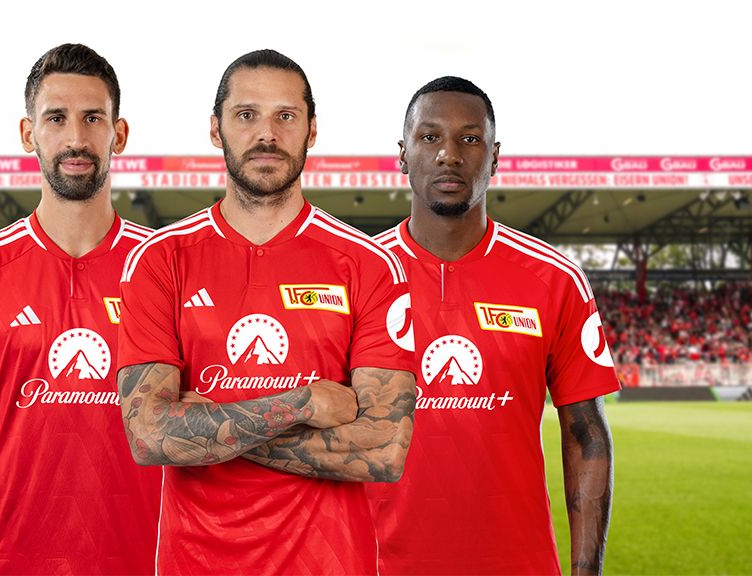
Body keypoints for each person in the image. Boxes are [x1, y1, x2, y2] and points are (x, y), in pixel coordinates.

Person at [116, 49, 416, 575]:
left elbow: (384, 451)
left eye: (286, 116)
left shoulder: (370, 265)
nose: (267, 134)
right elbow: (148, 436)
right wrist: (302, 402)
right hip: (197, 563)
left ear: (312, 130)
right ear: (216, 129)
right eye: (246, 115)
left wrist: (209, 426)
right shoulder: (160, 260)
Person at [0, 44, 161, 575]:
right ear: (28, 133)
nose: (76, 139)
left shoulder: (163, 269)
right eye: (56, 118)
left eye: (93, 118)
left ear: (119, 134)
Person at [371, 76, 618, 575]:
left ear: (495, 155)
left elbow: (587, 436)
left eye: (469, 138)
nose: (449, 154)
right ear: (402, 153)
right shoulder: (358, 277)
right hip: (376, 564)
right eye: (430, 136)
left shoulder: (555, 279)